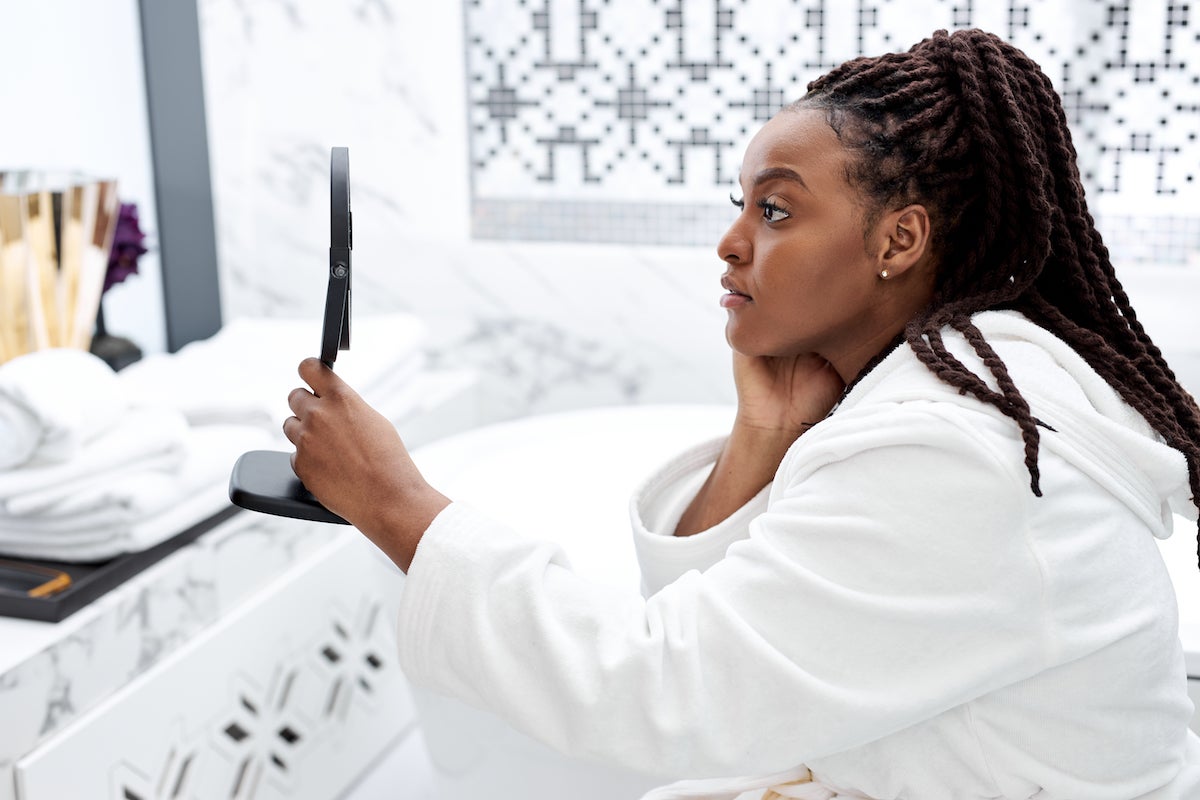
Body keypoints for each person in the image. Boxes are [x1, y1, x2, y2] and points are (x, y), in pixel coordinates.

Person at [283, 27, 1200, 800]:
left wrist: (395, 502)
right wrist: (765, 436)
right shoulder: (936, 395)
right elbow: (737, 647)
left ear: (899, 238)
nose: (729, 243)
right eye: (742, 205)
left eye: (775, 210)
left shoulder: (961, 452)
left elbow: (664, 692)